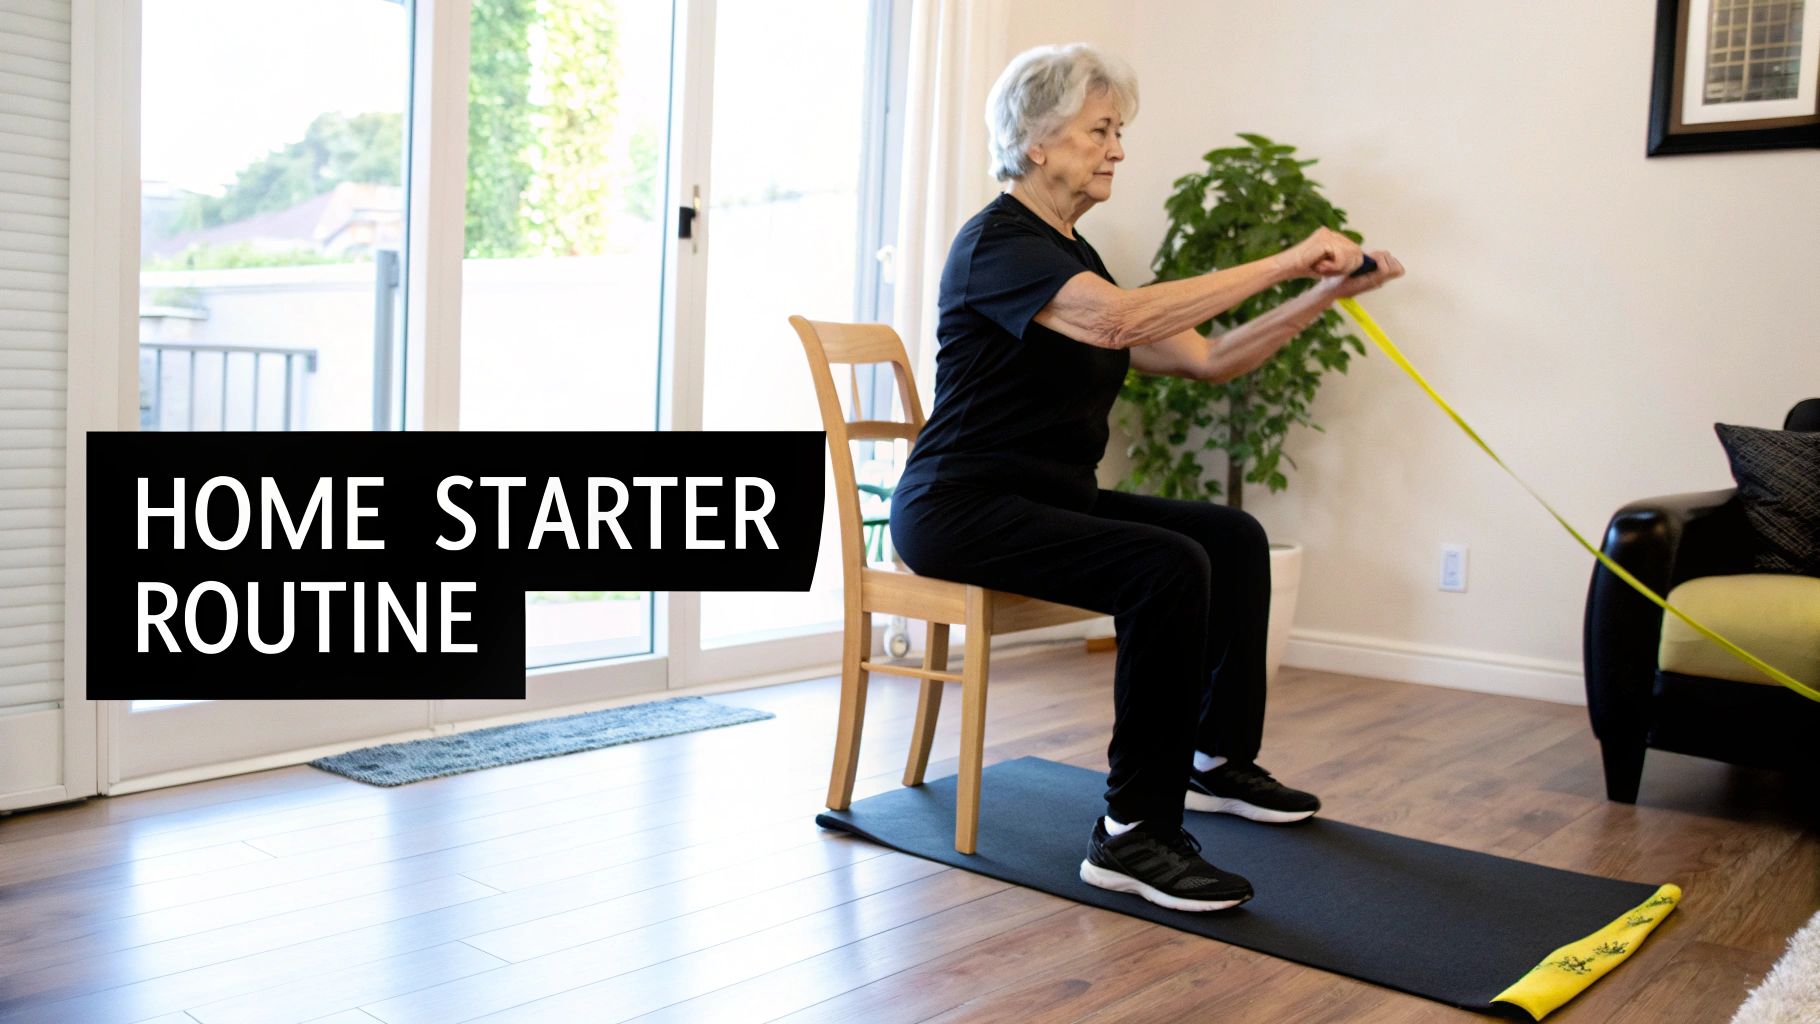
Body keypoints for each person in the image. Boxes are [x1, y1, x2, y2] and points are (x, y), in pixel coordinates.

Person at [888, 43, 1405, 913]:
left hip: (1049, 498)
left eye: (1118, 131)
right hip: (959, 507)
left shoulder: (1070, 253)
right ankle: (1133, 835)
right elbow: (1124, 319)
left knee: (1231, 538)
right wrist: (1286, 258)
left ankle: (1216, 762)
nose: (1118, 149)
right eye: (1100, 130)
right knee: (1165, 565)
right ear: (1036, 142)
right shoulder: (998, 246)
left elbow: (1205, 358)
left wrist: (1323, 297)